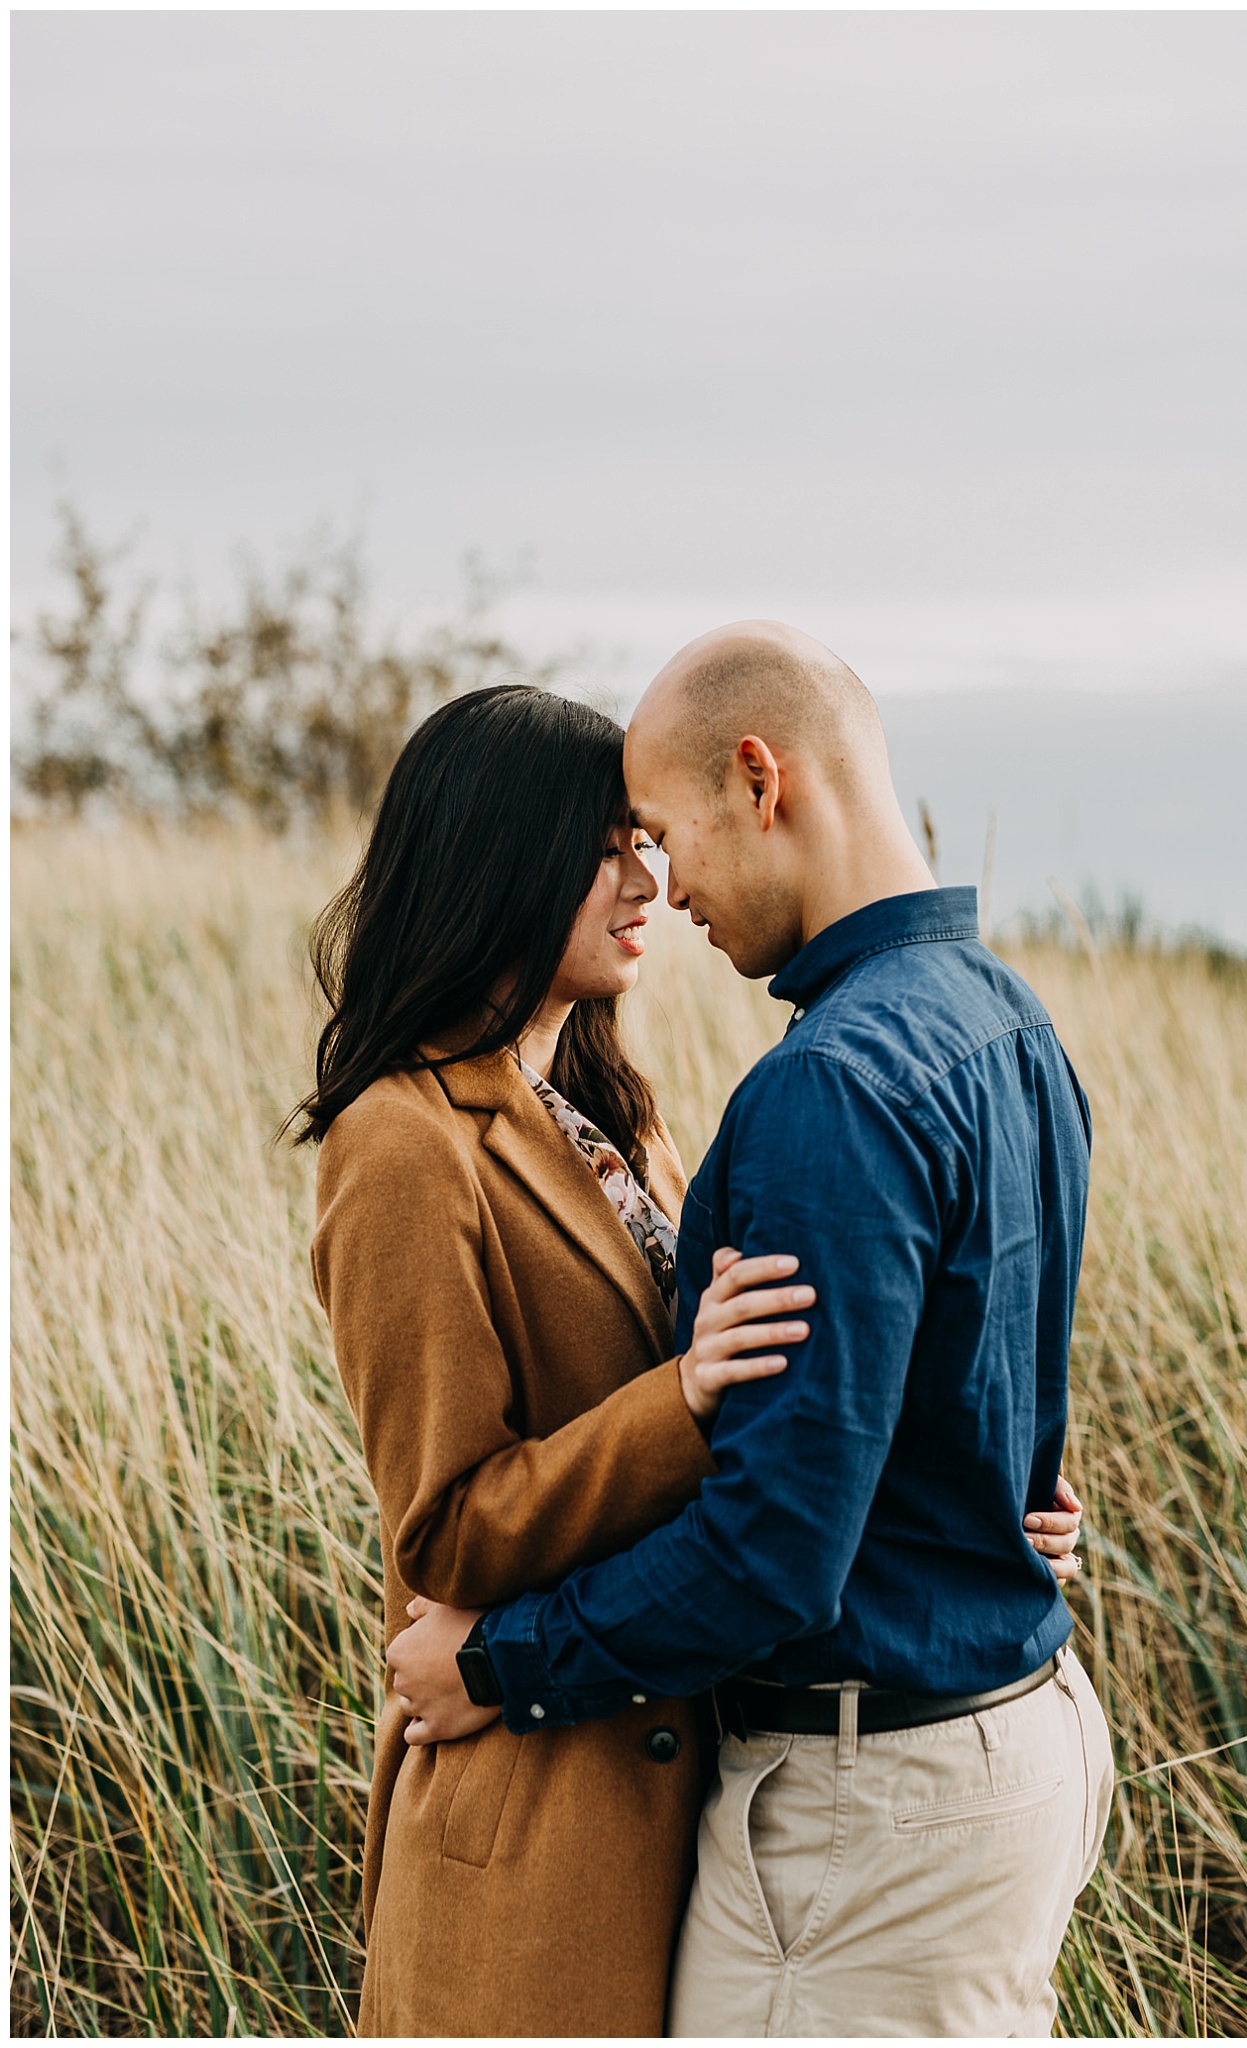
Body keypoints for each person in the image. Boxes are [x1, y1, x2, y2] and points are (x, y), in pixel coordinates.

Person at [303, 682, 1086, 2038]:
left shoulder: (619, 1117)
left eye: (646, 838)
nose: (648, 882)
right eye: (606, 844)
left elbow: (799, 1412)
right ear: (497, 860)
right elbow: (443, 1529)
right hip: (541, 1821)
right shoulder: (401, 1145)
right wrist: (681, 1399)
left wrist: (969, 1493)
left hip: (689, 1785)